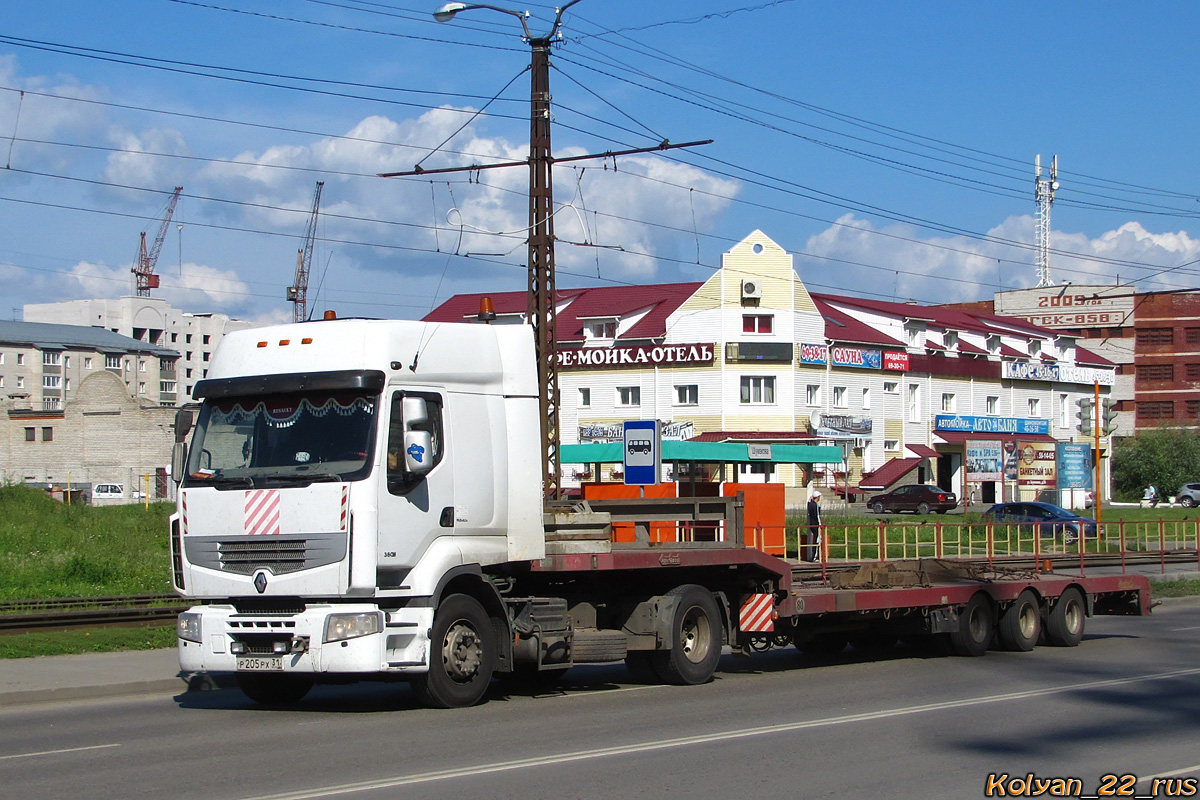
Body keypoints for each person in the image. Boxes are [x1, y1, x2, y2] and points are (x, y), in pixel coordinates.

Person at [804, 491, 822, 563]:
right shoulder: (815, 505)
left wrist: (810, 499)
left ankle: (813, 555)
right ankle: (814, 556)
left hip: (811, 524)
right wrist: (820, 524)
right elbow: (817, 515)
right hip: (816, 524)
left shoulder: (810, 504)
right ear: (817, 497)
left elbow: (808, 502)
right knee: (817, 540)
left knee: (814, 539)